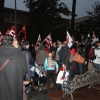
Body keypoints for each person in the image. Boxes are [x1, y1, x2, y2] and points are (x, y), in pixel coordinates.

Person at [0, 34, 27, 100]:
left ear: (2, 41)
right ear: (12, 42)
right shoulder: (20, 53)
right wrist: (18, 77)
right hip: (16, 84)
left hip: (2, 85)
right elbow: (24, 69)